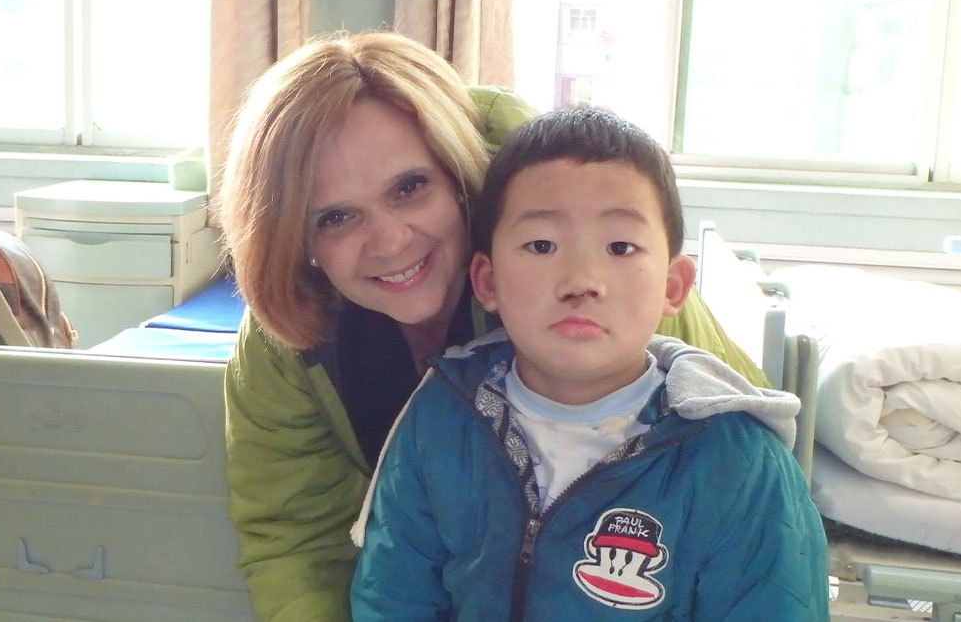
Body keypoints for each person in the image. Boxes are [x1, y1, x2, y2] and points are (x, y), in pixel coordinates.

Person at [218, 31, 771, 622]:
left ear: (461, 179)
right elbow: (298, 543)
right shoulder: (285, 346)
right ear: (296, 241)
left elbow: (745, 483)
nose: (389, 241)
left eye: (410, 187)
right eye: (335, 217)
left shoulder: (608, 287)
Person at [350, 107, 829, 620]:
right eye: (542, 245)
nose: (582, 280)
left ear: (673, 287)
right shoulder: (441, 420)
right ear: (487, 281)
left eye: (620, 247)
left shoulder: (739, 463)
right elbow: (393, 598)